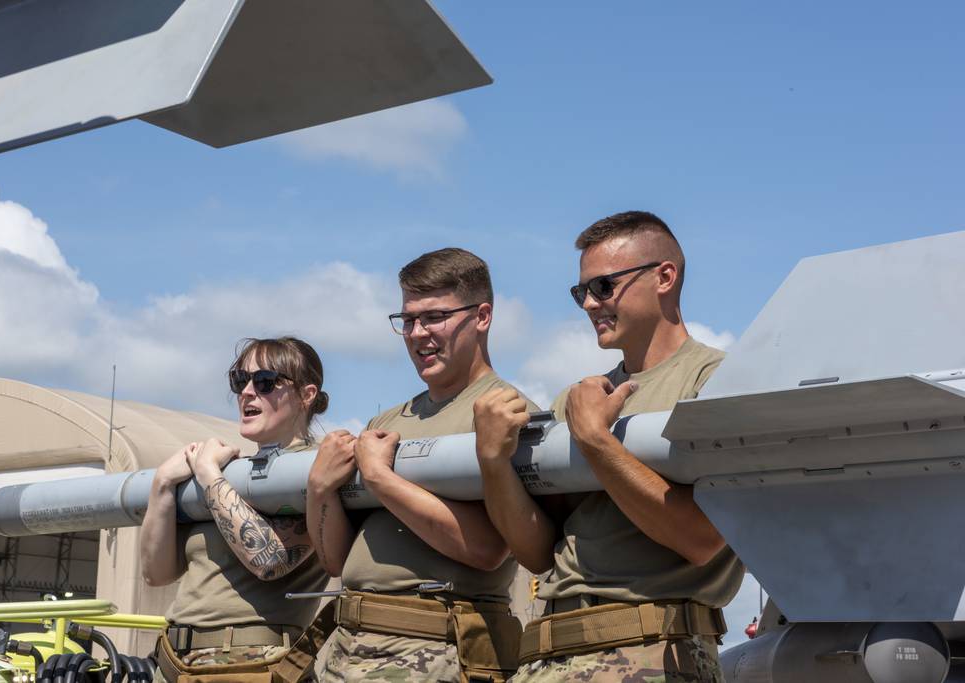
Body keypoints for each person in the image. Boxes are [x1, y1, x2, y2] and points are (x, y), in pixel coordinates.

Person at [474, 212, 743, 682]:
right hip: (550, 652)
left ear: (664, 277)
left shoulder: (719, 382)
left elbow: (702, 541)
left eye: (603, 286)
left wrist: (597, 442)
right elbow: (539, 554)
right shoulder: (579, 399)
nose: (589, 304)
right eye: (582, 292)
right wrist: (494, 463)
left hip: (652, 653)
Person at [304, 247, 538, 682]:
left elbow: (488, 549)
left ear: (482, 316)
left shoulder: (504, 412)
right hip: (350, 650)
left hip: (434, 653)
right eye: (407, 320)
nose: (416, 333)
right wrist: (319, 489)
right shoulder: (386, 422)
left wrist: (377, 476)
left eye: (433, 317)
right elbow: (336, 561)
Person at [141, 336, 355, 683]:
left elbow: (270, 560)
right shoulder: (233, 475)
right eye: (240, 381)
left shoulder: (316, 469)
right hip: (175, 663)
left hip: (250, 667)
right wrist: (163, 485)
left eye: (266, 382)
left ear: (307, 394)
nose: (247, 392)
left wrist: (208, 473)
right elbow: (157, 574)